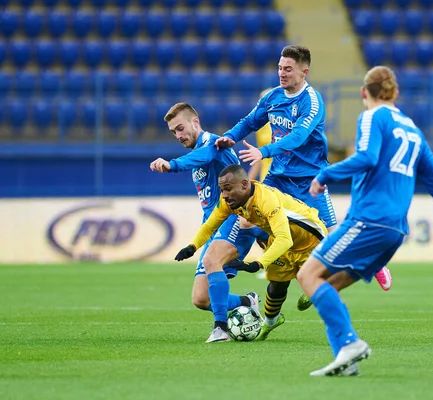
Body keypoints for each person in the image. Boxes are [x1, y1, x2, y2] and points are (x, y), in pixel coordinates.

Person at [296, 66, 433, 377]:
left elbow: (368, 158)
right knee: (329, 284)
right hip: (395, 229)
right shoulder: (412, 129)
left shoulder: (372, 117)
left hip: (369, 220)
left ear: (364, 94)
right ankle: (347, 361)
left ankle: (349, 344)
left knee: (307, 276)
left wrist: (325, 174)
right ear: (394, 92)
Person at [214, 45, 393, 294]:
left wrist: (263, 152)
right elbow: (250, 121)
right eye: (279, 68)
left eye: (288, 69)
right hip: (278, 177)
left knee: (331, 238)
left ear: (304, 72)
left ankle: (373, 262)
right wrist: (230, 136)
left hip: (310, 181)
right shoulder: (272, 97)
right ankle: (231, 266)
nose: (282, 73)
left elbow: (298, 137)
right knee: (245, 218)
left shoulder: (312, 101)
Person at [149, 102, 268, 343]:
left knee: (212, 260)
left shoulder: (214, 143)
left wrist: (172, 165)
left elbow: (201, 156)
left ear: (195, 122)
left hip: (234, 218)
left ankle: (221, 329)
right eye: (174, 132)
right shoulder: (199, 149)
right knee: (201, 299)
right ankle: (248, 301)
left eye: (181, 128)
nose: (179, 135)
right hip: (214, 224)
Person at [174, 164, 328, 341]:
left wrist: (258, 264)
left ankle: (317, 287)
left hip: (311, 240)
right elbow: (210, 226)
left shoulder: (266, 199)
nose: (224, 195)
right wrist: (192, 247)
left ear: (245, 185)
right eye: (222, 190)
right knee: (277, 285)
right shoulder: (230, 201)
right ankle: (270, 323)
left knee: (313, 282)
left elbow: (285, 239)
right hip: (281, 240)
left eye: (228, 189)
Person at [247, 87, 274, 281]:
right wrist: (248, 179)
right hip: (265, 181)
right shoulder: (262, 126)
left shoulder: (283, 123)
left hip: (280, 180)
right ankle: (272, 262)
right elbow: (258, 154)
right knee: (258, 224)